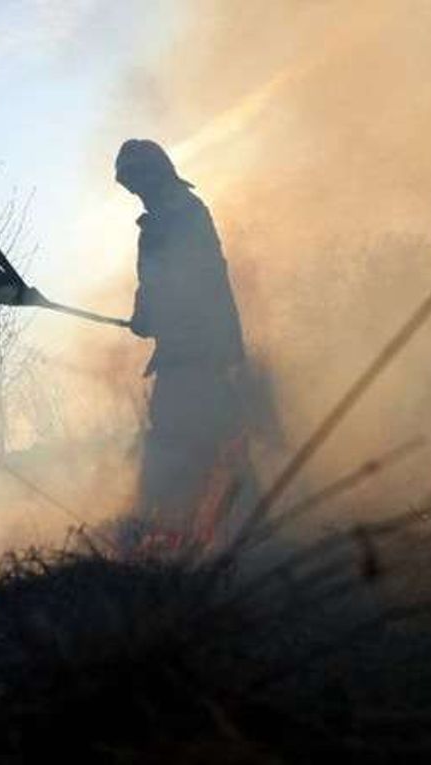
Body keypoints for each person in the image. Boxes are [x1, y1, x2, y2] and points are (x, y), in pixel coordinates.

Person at [114, 139, 250, 552]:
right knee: (186, 448)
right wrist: (146, 315)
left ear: (155, 175)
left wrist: (153, 316)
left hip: (198, 353)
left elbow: (199, 280)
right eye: (130, 185)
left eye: (139, 182)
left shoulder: (179, 216)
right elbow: (153, 283)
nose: (136, 191)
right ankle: (182, 540)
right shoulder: (166, 218)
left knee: (186, 451)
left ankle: (190, 544)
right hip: (188, 352)